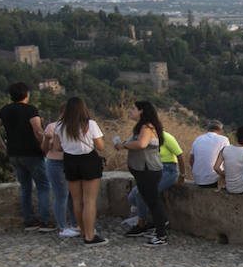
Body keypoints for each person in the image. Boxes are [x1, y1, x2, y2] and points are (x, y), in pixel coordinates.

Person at [0, 81, 51, 231]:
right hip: (31, 153)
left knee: (25, 187)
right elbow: (37, 131)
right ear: (27, 94)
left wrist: (3, 147)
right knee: (43, 186)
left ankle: (29, 221)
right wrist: (46, 146)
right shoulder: (30, 110)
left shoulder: (4, 110)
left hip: (14, 154)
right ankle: (44, 222)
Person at [114, 101, 170, 247]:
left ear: (141, 111)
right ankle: (159, 227)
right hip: (143, 170)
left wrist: (124, 145)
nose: (130, 111)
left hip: (148, 170)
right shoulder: (140, 127)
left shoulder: (146, 127)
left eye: (133, 108)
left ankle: (161, 235)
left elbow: (141, 144)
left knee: (153, 201)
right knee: (150, 200)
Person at [56, 96, 108, 246]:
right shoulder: (90, 124)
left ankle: (84, 231)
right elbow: (100, 146)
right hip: (88, 161)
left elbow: (57, 147)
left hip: (70, 161)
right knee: (89, 200)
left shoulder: (60, 126)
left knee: (77, 201)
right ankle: (90, 236)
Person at [126, 123, 185, 230]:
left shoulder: (167, 138)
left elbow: (180, 155)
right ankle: (160, 219)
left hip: (169, 170)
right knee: (132, 197)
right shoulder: (148, 140)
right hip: (154, 169)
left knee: (142, 194)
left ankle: (142, 224)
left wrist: (182, 175)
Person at [41, 113, 78, 237]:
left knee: (73, 195)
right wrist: (47, 139)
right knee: (61, 195)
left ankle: (75, 223)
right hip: (56, 163)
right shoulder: (52, 127)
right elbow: (44, 148)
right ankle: (62, 227)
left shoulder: (76, 126)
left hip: (71, 162)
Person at [213, 125, 243, 195]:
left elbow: (216, 168)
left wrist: (225, 175)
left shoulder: (225, 149)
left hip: (229, 187)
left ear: (236, 136)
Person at [188, 121, 229, 188]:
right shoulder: (224, 139)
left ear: (207, 129)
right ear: (221, 131)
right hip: (213, 180)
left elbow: (191, 160)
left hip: (197, 179)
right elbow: (229, 158)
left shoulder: (198, 139)